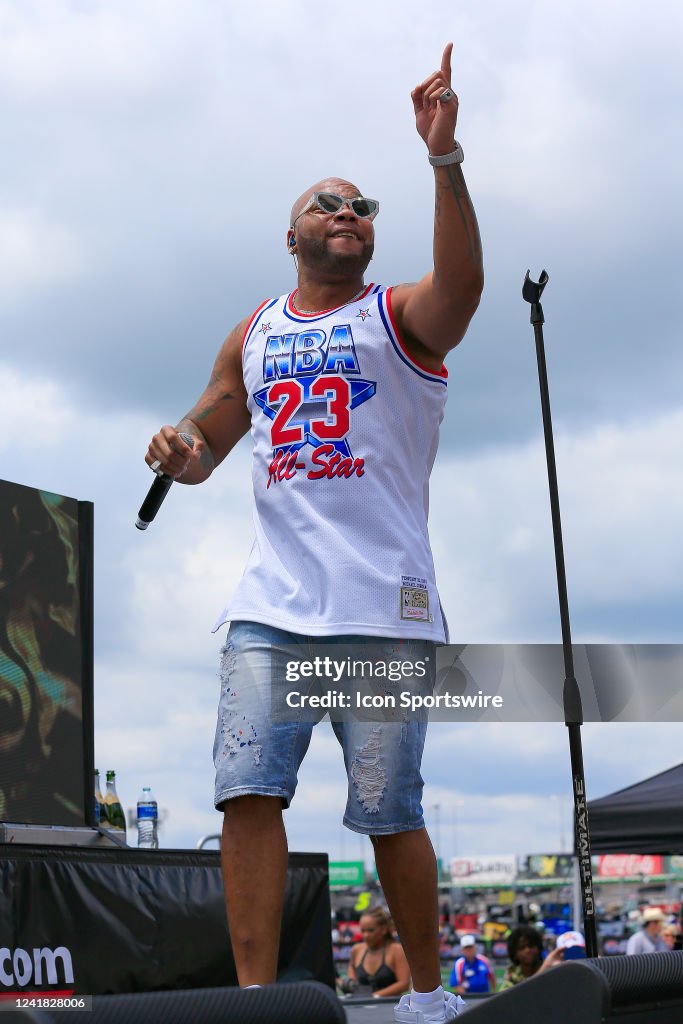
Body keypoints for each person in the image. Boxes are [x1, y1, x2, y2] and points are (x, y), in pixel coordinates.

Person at [145, 41, 483, 1024]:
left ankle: (423, 996)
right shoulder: (255, 330)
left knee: (388, 811)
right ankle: (258, 1000)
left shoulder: (396, 315)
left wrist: (443, 161)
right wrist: (174, 450)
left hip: (382, 606)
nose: (348, 212)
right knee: (247, 793)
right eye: (327, 203)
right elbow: (204, 443)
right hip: (272, 610)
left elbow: (460, 289)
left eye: (361, 206)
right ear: (289, 234)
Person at [346, 907, 411, 998]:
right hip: (362, 1006)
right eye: (363, 930)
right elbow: (352, 966)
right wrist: (352, 981)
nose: (366, 935)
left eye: (371, 930)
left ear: (384, 929)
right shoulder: (357, 949)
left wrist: (374, 996)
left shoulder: (396, 950)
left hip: (390, 1006)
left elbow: (404, 984)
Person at [498, 925, 565, 990]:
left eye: (531, 946)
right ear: (514, 953)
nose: (527, 950)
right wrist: (545, 967)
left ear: (539, 948)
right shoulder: (511, 977)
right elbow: (509, 998)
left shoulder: (551, 971)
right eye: (522, 947)